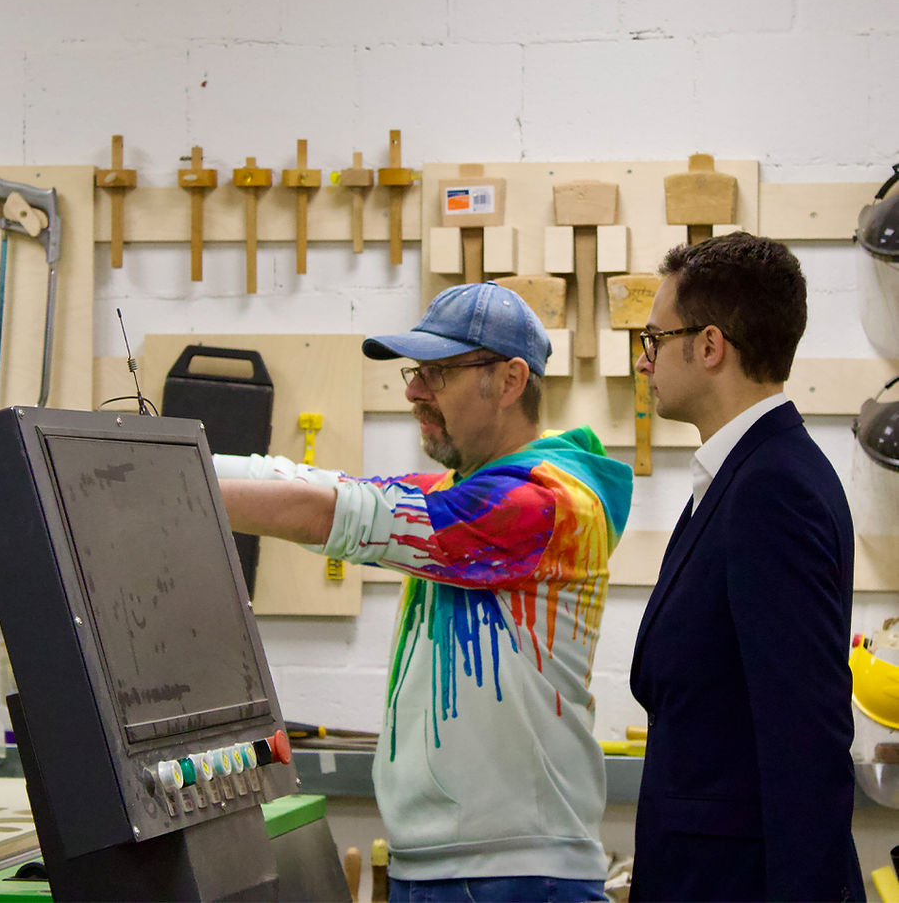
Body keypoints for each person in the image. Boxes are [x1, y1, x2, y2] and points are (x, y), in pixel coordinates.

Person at [217, 281, 633, 903]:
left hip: (514, 875)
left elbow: (329, 513)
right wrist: (160, 457)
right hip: (447, 868)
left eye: (438, 372)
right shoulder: (463, 491)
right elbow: (320, 487)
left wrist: (163, 482)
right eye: (415, 371)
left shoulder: (540, 503)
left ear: (511, 380)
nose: (413, 390)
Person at [628, 232, 864, 902]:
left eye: (654, 339)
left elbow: (805, 739)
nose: (644, 361)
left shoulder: (772, 488)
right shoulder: (744, 473)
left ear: (710, 346)